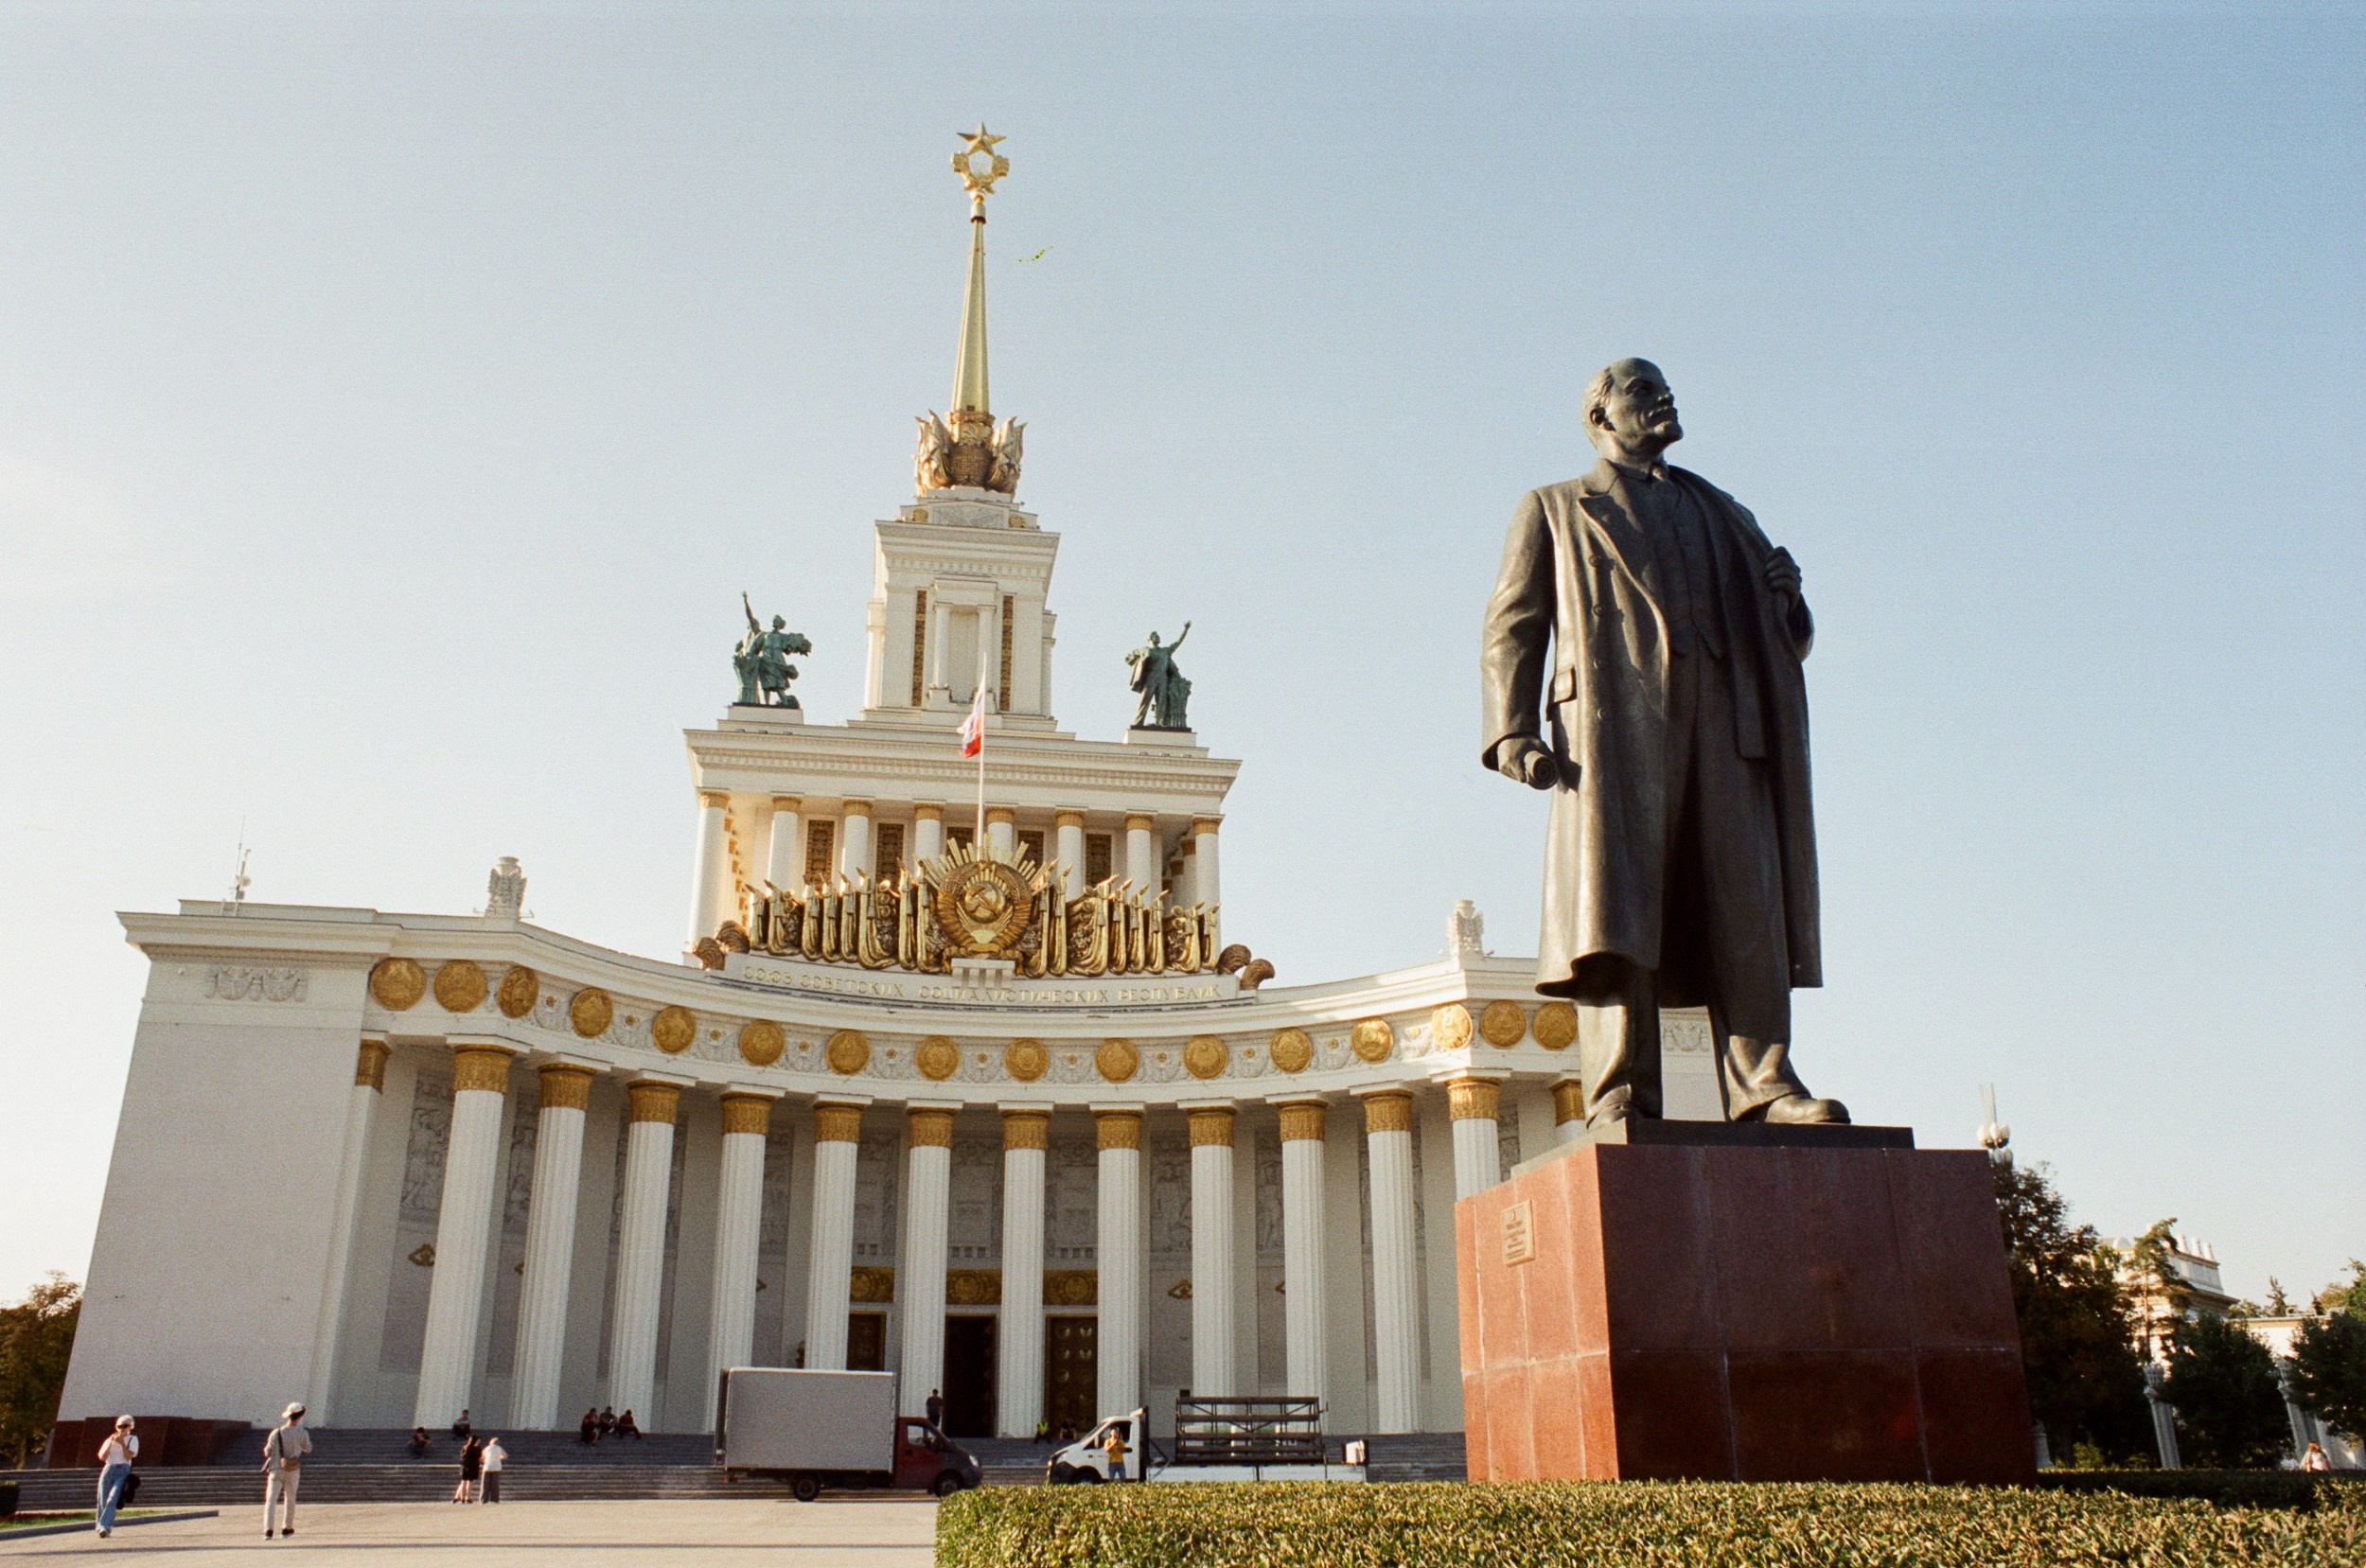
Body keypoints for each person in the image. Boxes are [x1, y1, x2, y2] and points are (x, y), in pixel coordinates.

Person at [1481, 357, 1845, 1128]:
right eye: (1643, 389)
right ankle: (1620, 1088)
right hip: (1612, 735)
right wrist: (1512, 728)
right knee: (1617, 912)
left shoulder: (1723, 512)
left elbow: (1787, 644)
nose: (1664, 398)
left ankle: (1765, 1085)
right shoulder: (1555, 507)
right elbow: (1515, 621)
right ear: (1600, 415)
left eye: (1665, 388)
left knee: (1746, 909)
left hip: (1728, 730)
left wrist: (1790, 605)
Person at [261, 1402, 311, 1539]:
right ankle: (287, 1528)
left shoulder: (276, 1432)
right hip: (292, 1470)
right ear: (300, 1416)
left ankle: (268, 1530)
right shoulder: (302, 1432)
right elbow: (308, 1448)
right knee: (290, 1498)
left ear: (288, 1416)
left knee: (271, 1500)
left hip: (276, 1469)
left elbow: (267, 1452)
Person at [94, 1416, 138, 1538]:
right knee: (102, 1498)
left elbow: (129, 1456)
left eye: (125, 1426)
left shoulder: (133, 1439)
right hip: (109, 1468)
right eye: (120, 1426)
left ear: (130, 1427)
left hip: (123, 1469)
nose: (122, 1428)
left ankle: (104, 1526)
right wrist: (111, 1443)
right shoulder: (110, 1439)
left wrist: (122, 1443)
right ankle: (103, 1528)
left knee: (113, 1497)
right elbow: (102, 1457)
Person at [451, 1436, 483, 1504]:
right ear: (476, 1441)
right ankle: (468, 1497)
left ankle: (462, 1498)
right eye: (478, 1440)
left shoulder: (465, 1447)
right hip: (473, 1466)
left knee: (463, 1482)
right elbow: (479, 1457)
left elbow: (462, 1456)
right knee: (470, 1482)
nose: (479, 1441)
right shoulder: (477, 1448)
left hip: (465, 1466)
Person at [479, 1436, 506, 1503]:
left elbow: (482, 1457)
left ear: (490, 1442)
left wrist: (485, 1460)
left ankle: (484, 1499)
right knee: (495, 1484)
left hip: (487, 1467)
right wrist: (500, 1457)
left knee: (485, 1484)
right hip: (496, 1467)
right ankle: (495, 1499)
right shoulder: (499, 1448)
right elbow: (505, 1456)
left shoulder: (487, 1448)